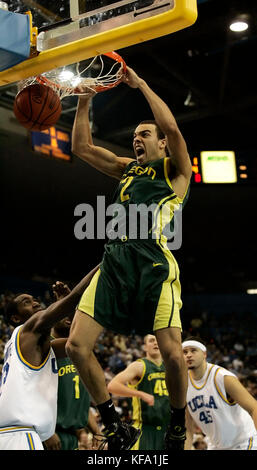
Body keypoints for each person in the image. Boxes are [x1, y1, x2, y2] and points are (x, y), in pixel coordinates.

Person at [67, 66, 192, 450]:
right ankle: (112, 422)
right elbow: (81, 148)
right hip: (115, 259)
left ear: (161, 144)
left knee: (172, 353)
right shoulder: (127, 169)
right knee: (75, 346)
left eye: (144, 134)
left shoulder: (176, 171)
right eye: (134, 135)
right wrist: (85, 99)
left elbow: (172, 129)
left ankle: (175, 422)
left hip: (153, 261)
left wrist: (141, 85)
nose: (136, 139)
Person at [0, 266, 98, 450]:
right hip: (22, 433)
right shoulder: (25, 331)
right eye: (26, 302)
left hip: (15, 433)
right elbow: (74, 297)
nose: (36, 302)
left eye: (34, 299)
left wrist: (71, 310)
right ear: (15, 317)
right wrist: (103, 266)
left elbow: (77, 342)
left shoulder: (24, 346)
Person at [44, 282, 100, 450]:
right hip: (49, 434)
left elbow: (79, 402)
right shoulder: (43, 347)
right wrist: (45, 430)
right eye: (64, 312)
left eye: (72, 313)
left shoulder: (80, 353)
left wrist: (96, 430)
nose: (68, 317)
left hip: (71, 437)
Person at [182, 337, 257, 450]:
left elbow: (254, 408)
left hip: (243, 441)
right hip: (216, 446)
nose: (188, 355)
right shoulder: (183, 386)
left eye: (193, 350)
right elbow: (187, 427)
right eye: (185, 352)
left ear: (204, 354)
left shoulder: (222, 377)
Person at [107, 334, 170, 450]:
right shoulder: (139, 366)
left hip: (167, 430)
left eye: (158, 340)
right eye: (151, 341)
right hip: (144, 429)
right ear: (145, 347)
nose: (156, 343)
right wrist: (140, 394)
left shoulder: (169, 367)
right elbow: (112, 385)